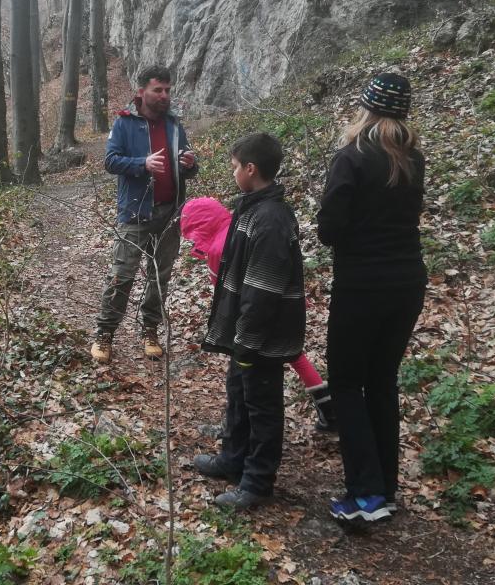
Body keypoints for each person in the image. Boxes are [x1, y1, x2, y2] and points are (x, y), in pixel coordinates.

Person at [317, 72, 427, 524]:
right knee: (382, 382)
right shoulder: (413, 159)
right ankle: (385, 487)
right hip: (408, 282)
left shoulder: (352, 157)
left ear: (366, 108)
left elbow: (329, 228)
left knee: (346, 383)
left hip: (362, 284)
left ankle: (365, 494)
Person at [193, 132, 306, 510]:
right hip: (246, 335)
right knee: (239, 394)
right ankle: (233, 458)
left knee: (262, 405)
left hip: (262, 338)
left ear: (251, 169)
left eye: (235, 167)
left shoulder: (271, 219)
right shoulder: (251, 208)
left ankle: (257, 481)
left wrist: (248, 339)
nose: (233, 173)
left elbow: (263, 289)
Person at [181, 196, 335, 431]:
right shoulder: (243, 228)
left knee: (245, 371)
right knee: (296, 357)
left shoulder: (217, 250)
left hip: (252, 314)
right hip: (281, 303)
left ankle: (238, 426)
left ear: (197, 226)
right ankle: (328, 409)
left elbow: (226, 294)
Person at [92, 65, 198, 364]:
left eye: (167, 90)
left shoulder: (174, 124)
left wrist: (189, 164)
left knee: (159, 277)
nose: (164, 95)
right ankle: (105, 333)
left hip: (169, 213)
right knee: (122, 275)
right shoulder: (124, 123)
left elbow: (188, 165)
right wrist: (142, 163)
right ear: (141, 92)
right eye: (158, 90)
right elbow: (110, 161)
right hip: (135, 213)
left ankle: (150, 330)